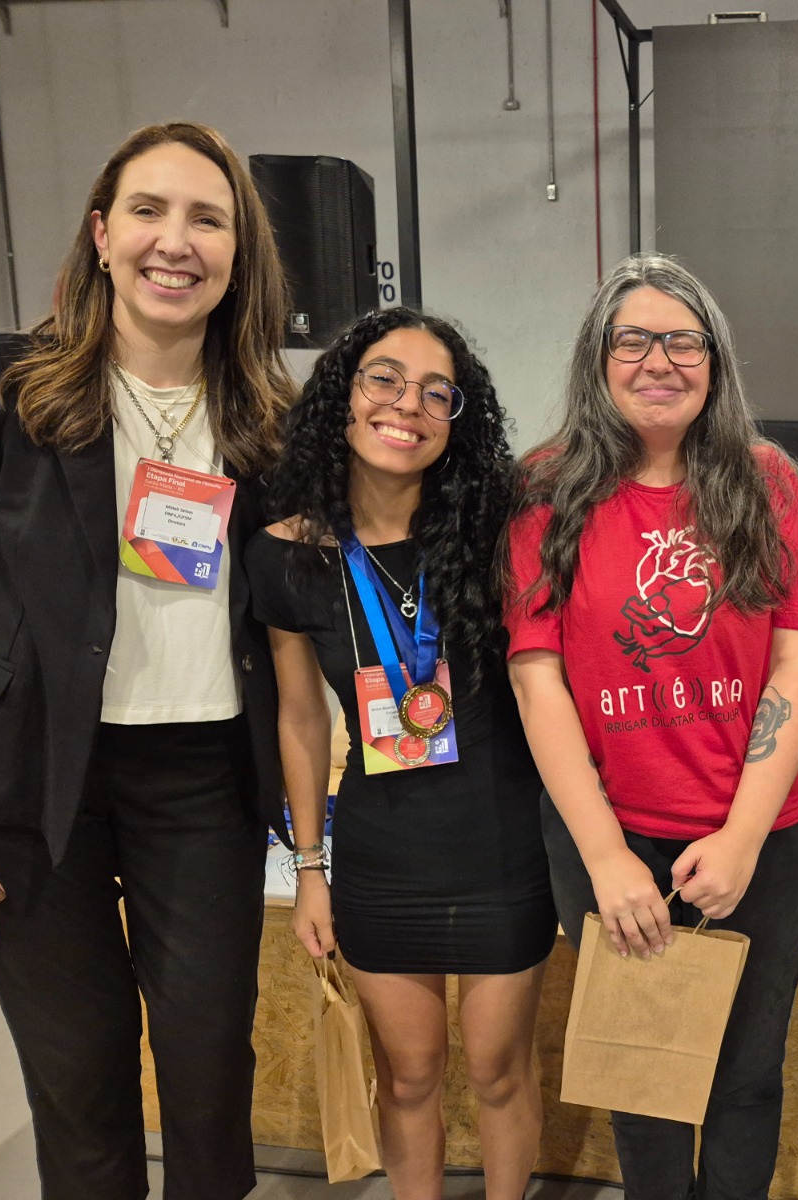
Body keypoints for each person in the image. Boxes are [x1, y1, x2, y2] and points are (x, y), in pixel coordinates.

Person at [0, 122, 294, 1199]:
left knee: (206, 1079)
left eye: (207, 218)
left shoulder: (266, 424)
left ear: (239, 256)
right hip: (22, 783)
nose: (173, 240)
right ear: (102, 234)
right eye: (148, 210)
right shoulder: (5, 387)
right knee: (81, 1083)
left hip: (200, 785)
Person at [503, 252, 798, 1200]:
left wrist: (741, 837)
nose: (659, 360)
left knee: (743, 1077)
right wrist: (606, 857)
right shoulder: (546, 488)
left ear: (715, 362)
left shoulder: (769, 484)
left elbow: (795, 666)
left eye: (683, 341)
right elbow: (538, 678)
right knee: (640, 1077)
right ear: (598, 361)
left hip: (766, 831)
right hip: (611, 835)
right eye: (633, 340)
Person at [249, 307, 555, 1200]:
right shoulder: (283, 556)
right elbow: (301, 720)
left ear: (458, 418)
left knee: (501, 1071)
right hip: (383, 854)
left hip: (504, 844)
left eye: (435, 391)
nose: (407, 405)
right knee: (410, 1075)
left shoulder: (500, 528)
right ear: (342, 398)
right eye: (384, 379)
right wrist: (310, 867)